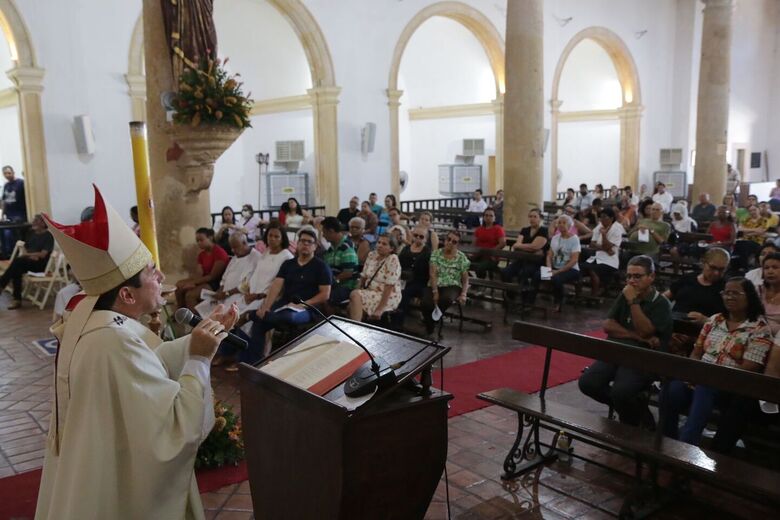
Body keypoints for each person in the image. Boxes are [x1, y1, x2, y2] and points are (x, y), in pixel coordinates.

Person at [36, 185, 238, 520]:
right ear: (127, 296)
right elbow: (175, 428)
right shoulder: (112, 341)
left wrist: (199, 337)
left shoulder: (98, 322)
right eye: (150, 272)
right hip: (119, 487)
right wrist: (200, 359)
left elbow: (151, 361)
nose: (161, 276)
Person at [662, 277, 772, 452]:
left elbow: (750, 367)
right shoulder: (715, 320)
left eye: (735, 293)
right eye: (726, 293)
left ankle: (685, 448)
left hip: (730, 385)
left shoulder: (759, 328)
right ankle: (667, 441)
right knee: (672, 389)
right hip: (700, 377)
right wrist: (692, 375)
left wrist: (709, 377)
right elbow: (697, 353)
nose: (729, 297)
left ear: (749, 297)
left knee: (706, 387)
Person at [578, 255, 673, 427]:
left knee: (620, 392)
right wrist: (635, 336)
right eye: (629, 276)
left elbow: (646, 330)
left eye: (637, 276)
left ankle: (630, 427)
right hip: (617, 351)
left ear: (651, 277)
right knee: (588, 383)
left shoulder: (660, 303)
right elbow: (608, 325)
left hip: (643, 357)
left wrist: (633, 302)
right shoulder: (626, 294)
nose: (631, 281)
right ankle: (636, 412)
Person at [247, 228, 332, 359]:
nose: (305, 244)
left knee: (289, 317)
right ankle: (254, 361)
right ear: (297, 244)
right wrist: (266, 307)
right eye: (302, 241)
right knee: (259, 320)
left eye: (309, 242)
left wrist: (304, 304)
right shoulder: (288, 264)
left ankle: (252, 316)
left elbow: (325, 294)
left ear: (315, 246)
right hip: (285, 304)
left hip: (308, 308)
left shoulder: (321, 266)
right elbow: (276, 286)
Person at [664, 248, 730, 355]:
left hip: (704, 332)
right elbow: (665, 297)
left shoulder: (726, 288)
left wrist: (707, 320)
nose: (716, 273)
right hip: (676, 325)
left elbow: (731, 320)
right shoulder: (688, 279)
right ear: (704, 263)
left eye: (721, 270)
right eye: (712, 268)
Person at [194, 232, 260, 318]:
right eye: (231, 247)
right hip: (224, 296)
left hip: (239, 297)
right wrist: (219, 292)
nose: (232, 250)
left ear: (244, 243)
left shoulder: (256, 258)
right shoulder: (235, 258)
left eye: (235, 247)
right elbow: (225, 278)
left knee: (222, 317)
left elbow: (247, 285)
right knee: (203, 312)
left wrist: (227, 293)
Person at [421, 231, 470, 336]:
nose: (450, 242)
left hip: (453, 285)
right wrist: (435, 291)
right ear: (444, 240)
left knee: (446, 298)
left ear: (457, 244)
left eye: (454, 241)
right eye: (449, 239)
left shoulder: (461, 258)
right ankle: (430, 325)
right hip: (435, 283)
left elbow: (465, 279)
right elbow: (432, 274)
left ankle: (434, 319)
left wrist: (464, 293)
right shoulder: (436, 254)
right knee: (425, 303)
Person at [529, 215, 581, 312]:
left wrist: (557, 272)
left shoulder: (574, 239)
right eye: (559, 223)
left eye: (564, 223)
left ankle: (558, 303)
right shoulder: (555, 238)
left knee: (556, 279)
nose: (561, 225)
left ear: (569, 226)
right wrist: (549, 268)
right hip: (554, 268)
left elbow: (574, 260)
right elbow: (549, 255)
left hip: (571, 269)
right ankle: (530, 302)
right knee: (537, 275)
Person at [0, 214, 53, 309]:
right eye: (34, 220)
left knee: (18, 262)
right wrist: (30, 255)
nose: (33, 222)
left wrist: (28, 255)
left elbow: (43, 254)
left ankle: (3, 287)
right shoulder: (31, 233)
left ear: (43, 223)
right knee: (17, 269)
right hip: (28, 261)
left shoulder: (48, 236)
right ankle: (16, 299)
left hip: (40, 265)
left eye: (36, 221)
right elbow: (25, 248)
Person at [348, 234, 402, 321]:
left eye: (384, 244)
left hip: (388, 296)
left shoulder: (393, 259)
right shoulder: (371, 255)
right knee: (352, 301)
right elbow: (363, 277)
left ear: (391, 248)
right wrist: (357, 292)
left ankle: (355, 328)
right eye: (379, 242)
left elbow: (389, 287)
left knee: (355, 295)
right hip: (370, 291)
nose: (380, 245)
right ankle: (357, 328)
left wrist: (380, 309)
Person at [175, 228, 229, 311]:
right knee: (179, 285)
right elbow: (199, 273)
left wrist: (194, 283)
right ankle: (181, 312)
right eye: (197, 241)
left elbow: (212, 276)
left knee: (190, 295)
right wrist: (193, 283)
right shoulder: (202, 254)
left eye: (201, 240)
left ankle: (196, 321)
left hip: (216, 283)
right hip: (205, 280)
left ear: (210, 238)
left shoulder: (219, 252)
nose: (199, 243)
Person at [501, 208, 549, 289]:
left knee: (523, 273)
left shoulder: (543, 230)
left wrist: (523, 246)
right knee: (505, 272)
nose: (532, 219)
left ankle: (525, 296)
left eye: (535, 216)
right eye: (530, 216)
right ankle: (510, 294)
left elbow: (535, 247)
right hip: (522, 259)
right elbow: (516, 246)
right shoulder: (524, 230)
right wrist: (531, 248)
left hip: (537, 263)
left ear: (540, 218)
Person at [583, 208, 624, 297]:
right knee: (581, 267)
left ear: (611, 218)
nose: (601, 220)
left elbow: (606, 246)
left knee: (593, 270)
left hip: (610, 260)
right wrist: (604, 248)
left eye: (604, 217)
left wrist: (604, 235)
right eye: (600, 217)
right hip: (598, 257)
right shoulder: (599, 227)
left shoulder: (616, 230)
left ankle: (594, 295)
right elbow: (592, 244)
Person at [397, 226, 431, 326]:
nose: (418, 238)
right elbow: (398, 263)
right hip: (402, 279)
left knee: (404, 293)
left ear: (426, 239)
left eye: (421, 237)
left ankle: (397, 324)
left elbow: (427, 272)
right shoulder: (406, 248)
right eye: (415, 235)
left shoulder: (427, 252)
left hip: (418, 282)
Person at [322, 216, 359, 306]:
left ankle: (332, 319)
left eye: (324, 232)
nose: (323, 235)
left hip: (347, 286)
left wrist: (332, 282)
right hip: (334, 284)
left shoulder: (347, 247)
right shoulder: (330, 249)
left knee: (324, 297)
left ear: (331, 231)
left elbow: (348, 273)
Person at [471, 207, 506, 279]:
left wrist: (490, 252)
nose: (488, 217)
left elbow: (502, 243)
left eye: (491, 216)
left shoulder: (498, 229)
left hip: (491, 257)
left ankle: (481, 283)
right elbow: (473, 244)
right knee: (463, 263)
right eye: (486, 215)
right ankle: (470, 282)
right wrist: (472, 254)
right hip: (478, 255)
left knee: (480, 267)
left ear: (494, 218)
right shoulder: (479, 229)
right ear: (483, 217)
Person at [1, 165, 27, 256]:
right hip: (9, 215)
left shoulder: (21, 183)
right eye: (5, 174)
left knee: (12, 233)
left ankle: (14, 253)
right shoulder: (6, 185)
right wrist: (2, 215)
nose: (7, 175)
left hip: (19, 214)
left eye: (9, 173)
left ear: (13, 172)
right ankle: (6, 254)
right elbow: (4, 201)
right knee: (4, 232)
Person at [757, 252, 780, 334]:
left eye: (775, 267)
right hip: (755, 337)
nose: (770, 271)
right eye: (766, 268)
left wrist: (769, 329)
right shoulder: (757, 291)